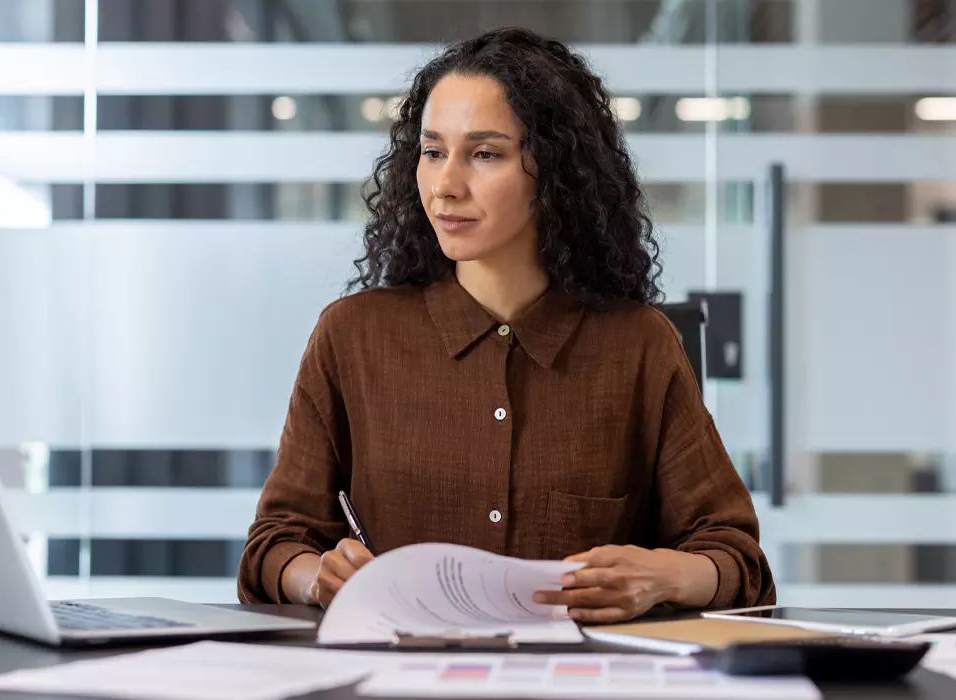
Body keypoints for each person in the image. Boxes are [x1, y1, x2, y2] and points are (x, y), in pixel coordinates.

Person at [237, 26, 775, 623]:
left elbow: (737, 559)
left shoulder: (638, 345)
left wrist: (661, 576)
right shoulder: (352, 336)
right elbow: (272, 547)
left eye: (485, 153)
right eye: (433, 151)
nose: (445, 185)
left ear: (554, 171)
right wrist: (319, 578)